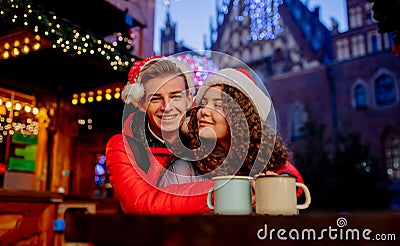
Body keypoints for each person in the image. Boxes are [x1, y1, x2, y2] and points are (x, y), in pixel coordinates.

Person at [158, 68, 304, 197]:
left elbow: (290, 176)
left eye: (218, 105)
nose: (204, 111)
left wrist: (280, 184)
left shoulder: (263, 162)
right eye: (203, 103)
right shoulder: (184, 170)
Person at [105, 56, 214, 214]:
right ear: (142, 105)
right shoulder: (122, 146)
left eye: (175, 96)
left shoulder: (206, 141)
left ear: (189, 100)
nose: (166, 107)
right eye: (156, 99)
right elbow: (140, 204)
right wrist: (219, 193)